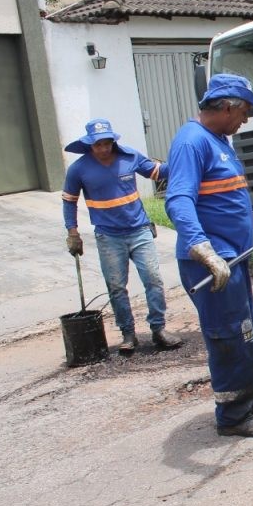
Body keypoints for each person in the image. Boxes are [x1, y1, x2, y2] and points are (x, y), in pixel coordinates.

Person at [165, 74, 253, 438]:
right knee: (229, 336)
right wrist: (202, 248)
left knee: (249, 329)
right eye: (244, 112)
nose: (247, 120)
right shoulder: (192, 143)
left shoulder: (220, 141)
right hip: (212, 262)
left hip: (234, 257)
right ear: (227, 107)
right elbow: (179, 200)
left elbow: (228, 194)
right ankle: (233, 416)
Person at [61, 118, 183, 354]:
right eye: (99, 145)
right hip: (108, 236)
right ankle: (128, 334)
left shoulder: (129, 157)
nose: (104, 148)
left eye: (108, 143)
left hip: (139, 231)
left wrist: (182, 160)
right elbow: (69, 201)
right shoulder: (79, 169)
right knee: (116, 287)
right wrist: (72, 232)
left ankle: (159, 329)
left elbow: (157, 172)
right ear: (89, 145)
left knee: (153, 280)